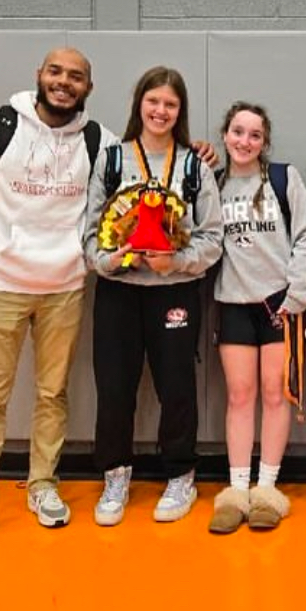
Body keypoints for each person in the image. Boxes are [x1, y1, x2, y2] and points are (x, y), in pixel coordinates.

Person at [0, 47, 116, 556]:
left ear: (87, 87)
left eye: (75, 76)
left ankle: (42, 485)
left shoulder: (100, 142)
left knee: (52, 395)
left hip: (65, 288)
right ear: (39, 75)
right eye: (55, 72)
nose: (64, 82)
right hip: (1, 283)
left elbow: (144, 172)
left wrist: (200, 152)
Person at [84, 66, 223, 526]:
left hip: (175, 293)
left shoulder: (194, 165)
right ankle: (115, 474)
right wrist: (114, 259)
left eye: (170, 104)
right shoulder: (110, 160)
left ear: (180, 111)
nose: (160, 111)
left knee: (176, 386)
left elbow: (212, 239)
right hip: (118, 292)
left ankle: (181, 474)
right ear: (138, 104)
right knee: (115, 386)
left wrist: (176, 261)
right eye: (153, 101)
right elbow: (88, 237)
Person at [209, 102, 306, 534]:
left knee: (276, 396)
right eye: (238, 132)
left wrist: (296, 295)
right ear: (225, 135)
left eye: (254, 135)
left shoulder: (282, 178)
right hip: (233, 302)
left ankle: (267, 490)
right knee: (240, 396)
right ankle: (236, 490)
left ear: (264, 141)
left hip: (279, 303)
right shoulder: (213, 182)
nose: (244, 141)